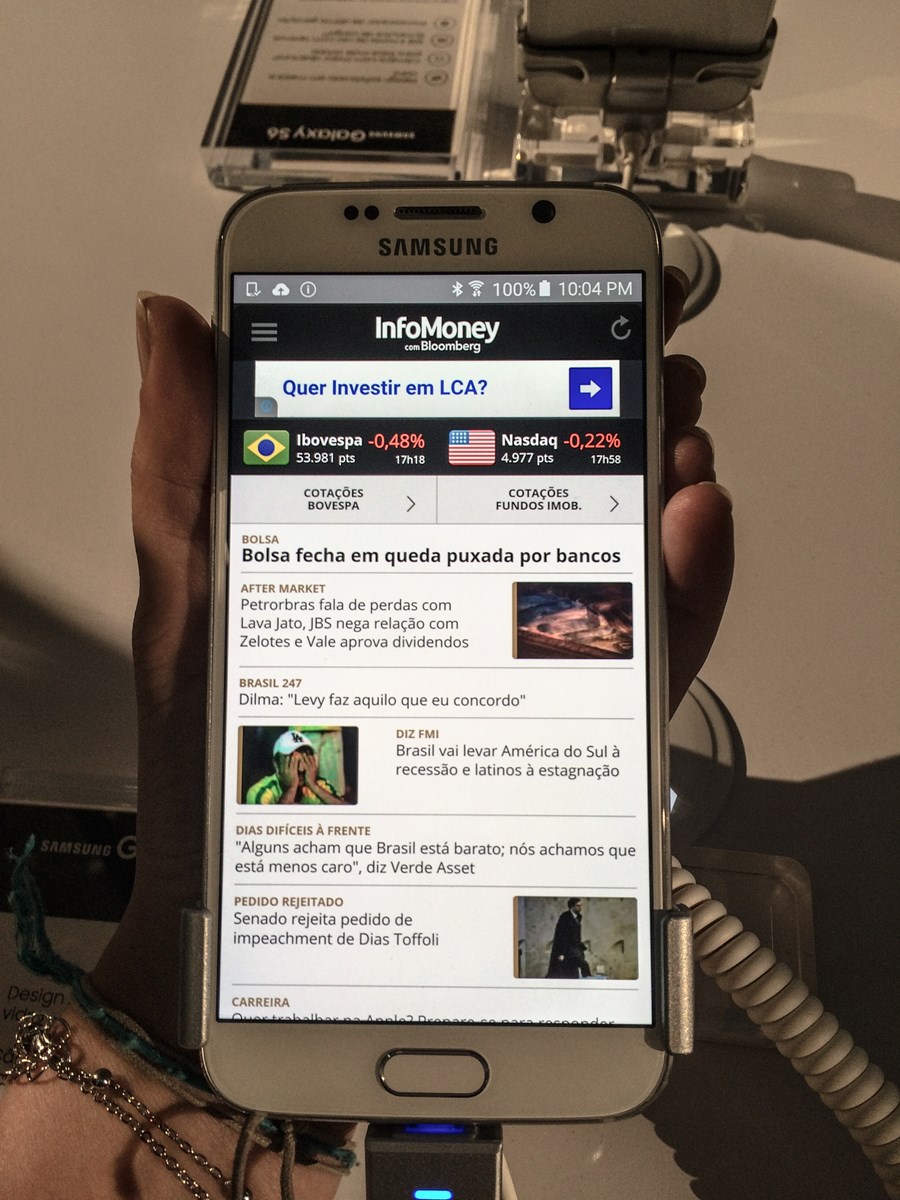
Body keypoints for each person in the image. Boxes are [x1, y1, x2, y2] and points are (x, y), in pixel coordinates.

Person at [0, 271, 733, 1198]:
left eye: (310, 754)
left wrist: (171, 1052)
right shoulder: (270, 791)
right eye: (301, 753)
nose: (307, 758)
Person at [245, 730, 349, 805]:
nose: (301, 769)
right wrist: (291, 789)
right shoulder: (260, 792)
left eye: (305, 760)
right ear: (276, 765)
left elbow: (348, 815)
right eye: (293, 762)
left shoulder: (320, 785)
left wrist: (314, 786)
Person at [547, 898, 591, 978]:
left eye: (580, 906)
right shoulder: (565, 917)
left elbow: (576, 936)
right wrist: (561, 953)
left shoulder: (577, 917)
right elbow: (560, 936)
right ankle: (589, 982)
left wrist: (581, 947)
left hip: (574, 951)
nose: (580, 908)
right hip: (567, 951)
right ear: (572, 907)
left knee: (573, 972)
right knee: (582, 966)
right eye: (578, 906)